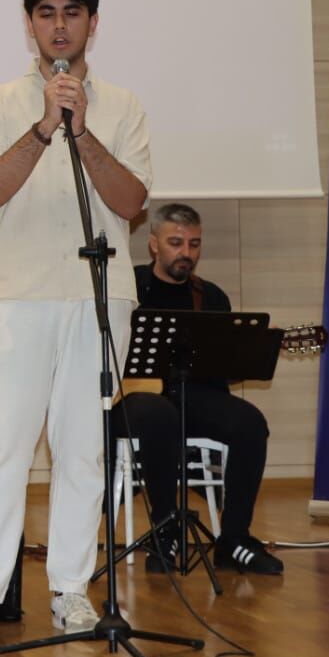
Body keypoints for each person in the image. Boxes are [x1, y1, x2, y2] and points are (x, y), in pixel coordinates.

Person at [0, 0, 152, 648]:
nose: (59, 26)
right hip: (17, 296)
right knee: (1, 448)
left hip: (100, 295)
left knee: (83, 452)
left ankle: (71, 590)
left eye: (72, 12)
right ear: (29, 23)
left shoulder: (123, 105)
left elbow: (131, 202)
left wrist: (83, 131)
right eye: (46, 13)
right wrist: (43, 128)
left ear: (94, 21)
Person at [121, 203, 284, 575]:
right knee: (159, 415)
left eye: (194, 244)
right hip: (135, 398)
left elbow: (223, 374)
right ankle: (165, 530)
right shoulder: (129, 288)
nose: (186, 253)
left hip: (192, 397)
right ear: (153, 244)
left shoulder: (210, 297)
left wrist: (255, 352)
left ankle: (234, 540)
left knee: (250, 422)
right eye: (176, 243)